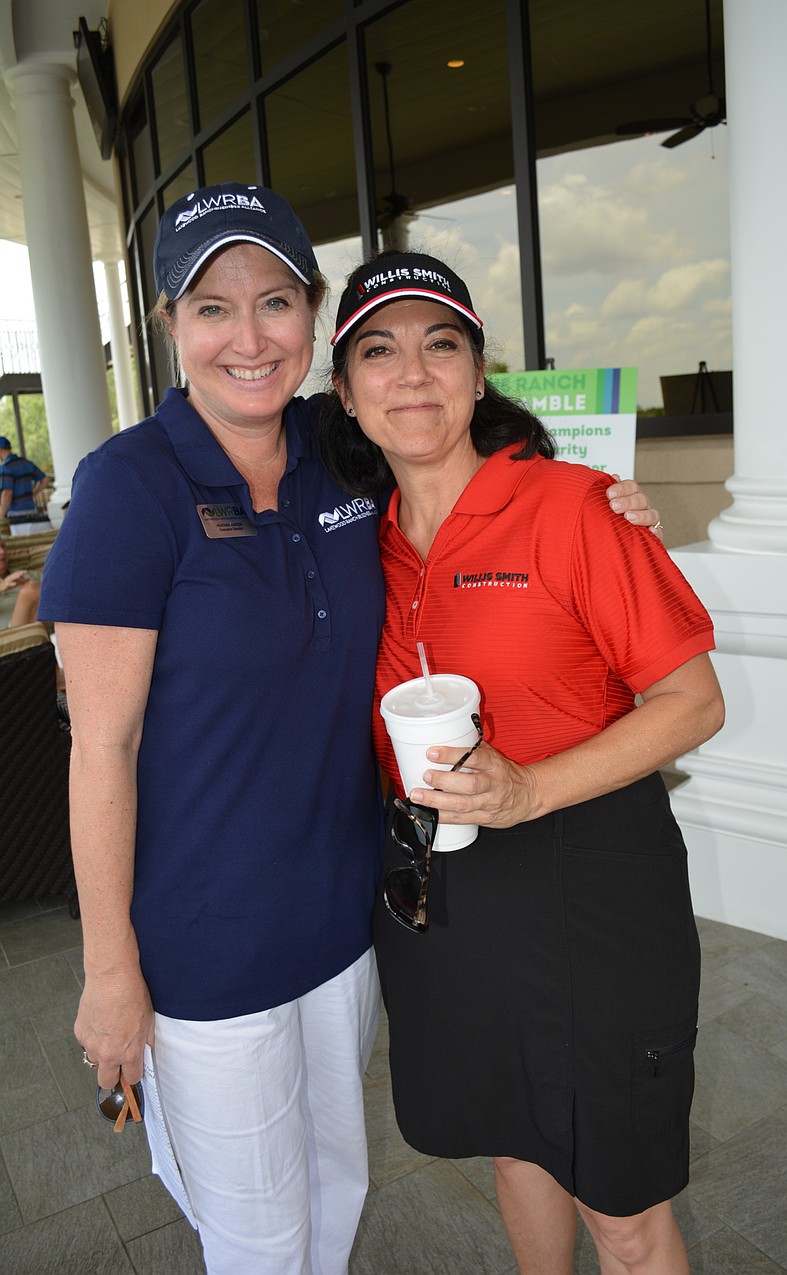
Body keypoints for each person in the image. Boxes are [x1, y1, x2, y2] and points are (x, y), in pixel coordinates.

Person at [37, 184, 661, 1275]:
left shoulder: (336, 450)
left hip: (344, 929)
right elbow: (104, 749)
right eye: (212, 308)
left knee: (335, 1194)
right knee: (262, 1241)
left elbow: (463, 437)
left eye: (274, 302)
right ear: (169, 325)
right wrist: (107, 972)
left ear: (312, 321)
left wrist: (598, 498)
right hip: (202, 949)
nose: (247, 337)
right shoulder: (127, 487)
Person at [320, 250, 725, 1275]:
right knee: (514, 1143)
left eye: (439, 343)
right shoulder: (359, 544)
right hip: (442, 890)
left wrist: (530, 786)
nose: (411, 371)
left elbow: (692, 703)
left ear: (477, 370)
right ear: (345, 391)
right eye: (379, 350)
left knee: (621, 1207)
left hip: (590, 879)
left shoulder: (574, 508)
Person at [0, 436, 50, 534]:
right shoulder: (26, 463)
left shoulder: (6, 467)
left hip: (17, 517)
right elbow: (45, 479)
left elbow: (7, 493)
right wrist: (34, 493)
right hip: (32, 511)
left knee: (21, 547)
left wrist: (1, 516)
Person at [0, 537, 41, 629]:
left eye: (3, 547)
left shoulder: (27, 574)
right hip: (7, 634)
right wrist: (2, 586)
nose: (2, 552)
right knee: (31, 591)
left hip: (41, 624)